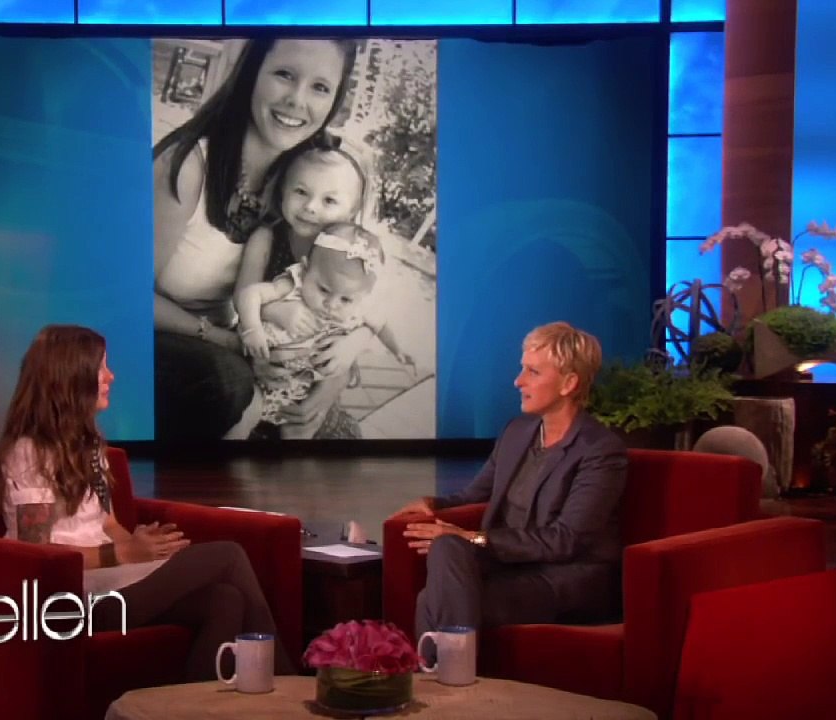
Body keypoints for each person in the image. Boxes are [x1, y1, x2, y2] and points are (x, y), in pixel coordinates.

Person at [0, 325, 295, 679]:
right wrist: (123, 554)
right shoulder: (31, 452)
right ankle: (289, 684)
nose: (111, 376)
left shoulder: (87, 444)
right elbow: (35, 552)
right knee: (227, 556)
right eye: (101, 367)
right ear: (70, 377)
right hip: (65, 600)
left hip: (108, 580)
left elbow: (107, 524)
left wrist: (141, 545)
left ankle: (189, 711)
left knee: (224, 600)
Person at [153, 38, 359, 440]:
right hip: (156, 335)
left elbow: (348, 277)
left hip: (240, 335)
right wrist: (230, 342)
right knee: (228, 382)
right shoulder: (188, 165)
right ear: (252, 74)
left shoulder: (310, 178)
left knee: (336, 435)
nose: (298, 101)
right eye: (285, 75)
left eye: (320, 87)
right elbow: (123, 298)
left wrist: (341, 365)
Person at [396, 322, 627, 638]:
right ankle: (452, 676)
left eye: (533, 372)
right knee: (447, 547)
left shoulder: (600, 451)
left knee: (431, 600)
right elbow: (474, 493)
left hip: (562, 578)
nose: (518, 381)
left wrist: (473, 538)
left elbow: (564, 540)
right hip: (511, 568)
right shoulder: (517, 432)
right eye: (522, 369)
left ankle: (442, 678)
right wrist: (433, 504)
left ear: (568, 383)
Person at [235, 222, 411, 439]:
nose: (332, 304)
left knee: (299, 433)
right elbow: (250, 294)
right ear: (305, 269)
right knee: (243, 418)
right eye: (324, 289)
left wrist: (397, 350)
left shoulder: (357, 309)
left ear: (361, 297)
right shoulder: (294, 286)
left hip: (303, 394)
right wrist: (252, 329)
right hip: (262, 381)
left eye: (345, 299)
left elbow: (380, 323)